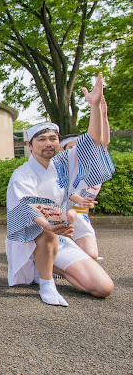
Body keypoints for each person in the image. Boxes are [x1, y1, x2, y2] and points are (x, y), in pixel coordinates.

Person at [5, 73, 114, 306]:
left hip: (60, 234)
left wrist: (95, 107)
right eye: (41, 139)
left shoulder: (63, 164)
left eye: (52, 138)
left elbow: (92, 142)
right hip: (33, 237)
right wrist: (51, 224)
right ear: (29, 145)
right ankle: (46, 283)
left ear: (59, 141)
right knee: (44, 230)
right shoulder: (22, 174)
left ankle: (46, 265)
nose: (48, 143)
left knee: (103, 287)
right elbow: (26, 206)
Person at [59, 94, 113, 260]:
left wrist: (102, 115)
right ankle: (55, 250)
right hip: (63, 212)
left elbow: (103, 142)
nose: (76, 151)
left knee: (92, 255)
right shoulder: (62, 165)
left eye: (79, 148)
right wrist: (80, 200)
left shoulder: (93, 164)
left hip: (81, 213)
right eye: (71, 148)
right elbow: (64, 189)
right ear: (63, 150)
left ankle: (72, 248)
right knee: (69, 217)